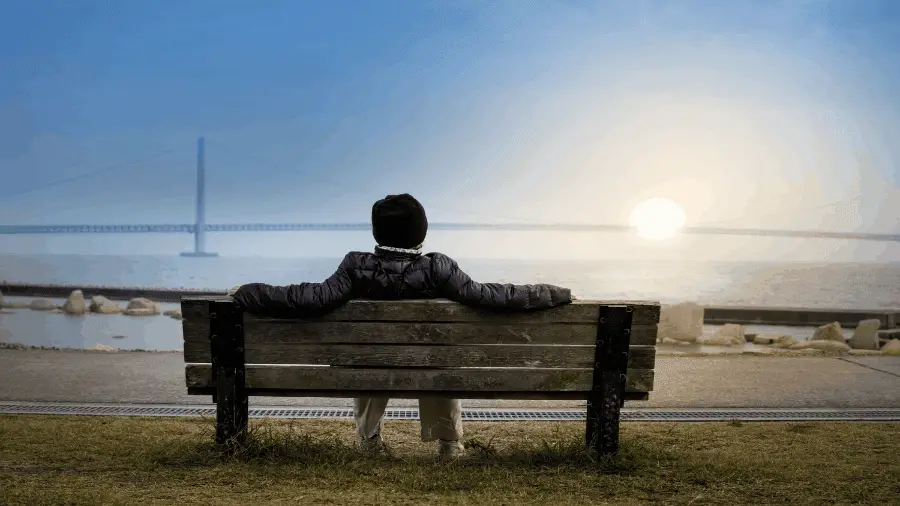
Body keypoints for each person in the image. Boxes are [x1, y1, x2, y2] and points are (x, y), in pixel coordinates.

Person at [229, 193, 573, 459]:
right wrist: (555, 293)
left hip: (369, 365)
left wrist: (249, 292)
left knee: (365, 356)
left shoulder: (355, 266)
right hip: (428, 365)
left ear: (377, 232)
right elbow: (491, 296)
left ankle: (368, 440)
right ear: (420, 232)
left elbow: (309, 298)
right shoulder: (438, 267)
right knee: (438, 361)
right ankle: (450, 445)